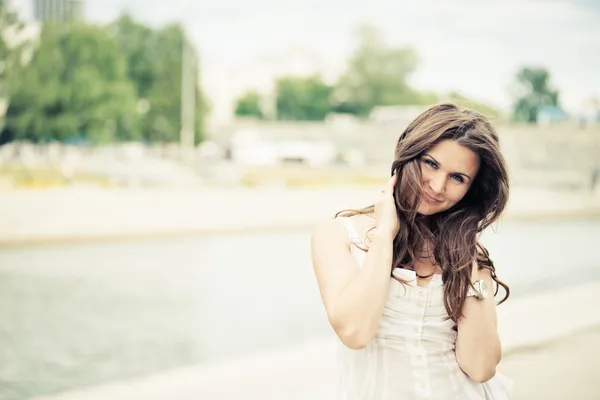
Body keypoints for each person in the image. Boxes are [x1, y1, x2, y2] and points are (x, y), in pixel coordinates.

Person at [311, 103, 513, 399]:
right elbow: (355, 332)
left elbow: (480, 367)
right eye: (431, 163)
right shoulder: (340, 234)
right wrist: (384, 236)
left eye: (458, 178)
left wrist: (467, 257)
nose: (437, 185)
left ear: (471, 189)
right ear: (409, 152)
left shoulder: (469, 255)